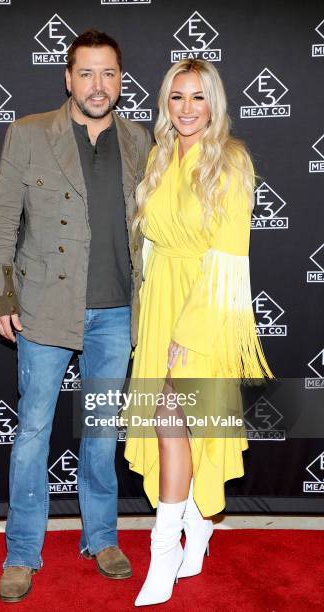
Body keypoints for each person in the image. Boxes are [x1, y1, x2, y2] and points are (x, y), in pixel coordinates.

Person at [0, 29, 151, 603]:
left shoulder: (139, 138)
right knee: (32, 431)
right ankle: (21, 552)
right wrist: (1, 298)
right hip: (44, 309)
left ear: (121, 80)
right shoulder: (29, 133)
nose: (97, 85)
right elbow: (2, 220)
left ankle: (101, 538)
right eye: (86, 73)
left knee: (101, 432)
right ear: (68, 78)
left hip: (118, 311)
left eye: (108, 73)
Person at [124, 59, 274, 607]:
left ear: (215, 102)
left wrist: (189, 329)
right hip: (162, 297)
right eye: (176, 98)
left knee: (172, 421)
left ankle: (162, 552)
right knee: (178, 430)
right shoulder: (160, 156)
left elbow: (230, 255)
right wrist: (149, 318)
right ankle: (199, 529)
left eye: (198, 98)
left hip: (206, 304)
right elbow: (150, 244)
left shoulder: (231, 161)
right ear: (165, 103)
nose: (187, 109)